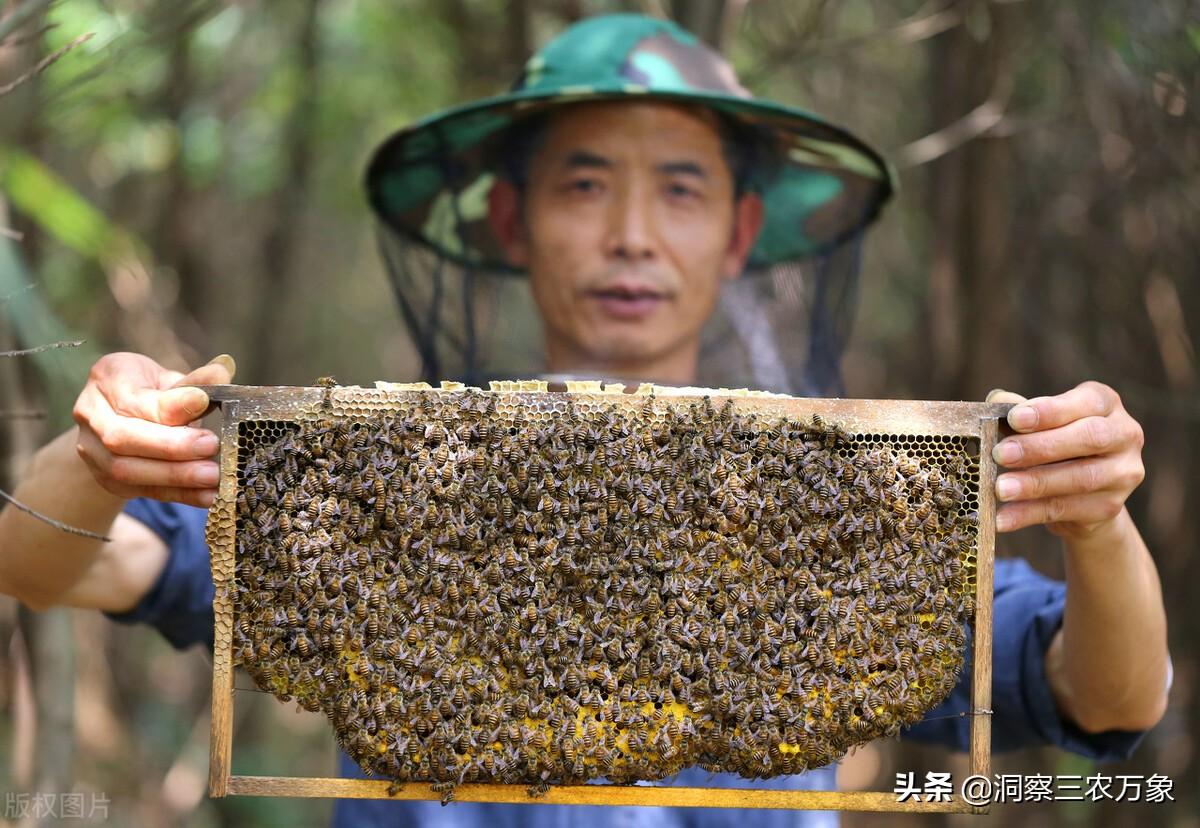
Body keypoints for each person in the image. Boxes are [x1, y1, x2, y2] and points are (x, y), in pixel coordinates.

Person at [0, 13, 1169, 828]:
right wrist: (106, 454)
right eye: (582, 182)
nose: (630, 235)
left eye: (681, 188)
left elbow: (1107, 696)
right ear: (510, 222)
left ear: (739, 234)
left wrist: (1099, 525)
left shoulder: (841, 516)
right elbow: (52, 563)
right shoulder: (374, 496)